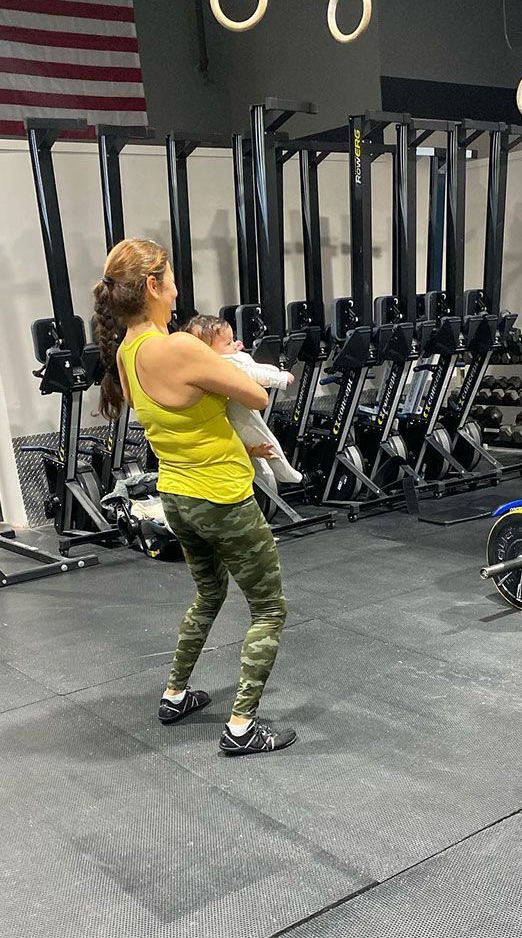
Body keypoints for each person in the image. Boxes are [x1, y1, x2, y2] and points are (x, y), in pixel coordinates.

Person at [92, 238, 296, 756]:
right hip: (223, 497)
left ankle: (175, 695)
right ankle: (242, 728)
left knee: (208, 595)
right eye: (173, 279)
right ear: (154, 286)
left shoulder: (127, 352)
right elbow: (257, 395)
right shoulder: (179, 347)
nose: (178, 289)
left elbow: (181, 412)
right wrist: (223, 363)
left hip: (178, 498)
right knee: (269, 609)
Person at [185, 314, 303, 492]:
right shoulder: (219, 363)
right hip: (234, 413)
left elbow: (250, 367)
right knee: (262, 439)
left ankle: (274, 475)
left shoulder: (221, 358)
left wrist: (233, 349)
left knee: (260, 444)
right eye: (227, 343)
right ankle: (285, 473)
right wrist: (280, 378)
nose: (234, 344)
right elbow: (252, 374)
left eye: (232, 340)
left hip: (236, 410)